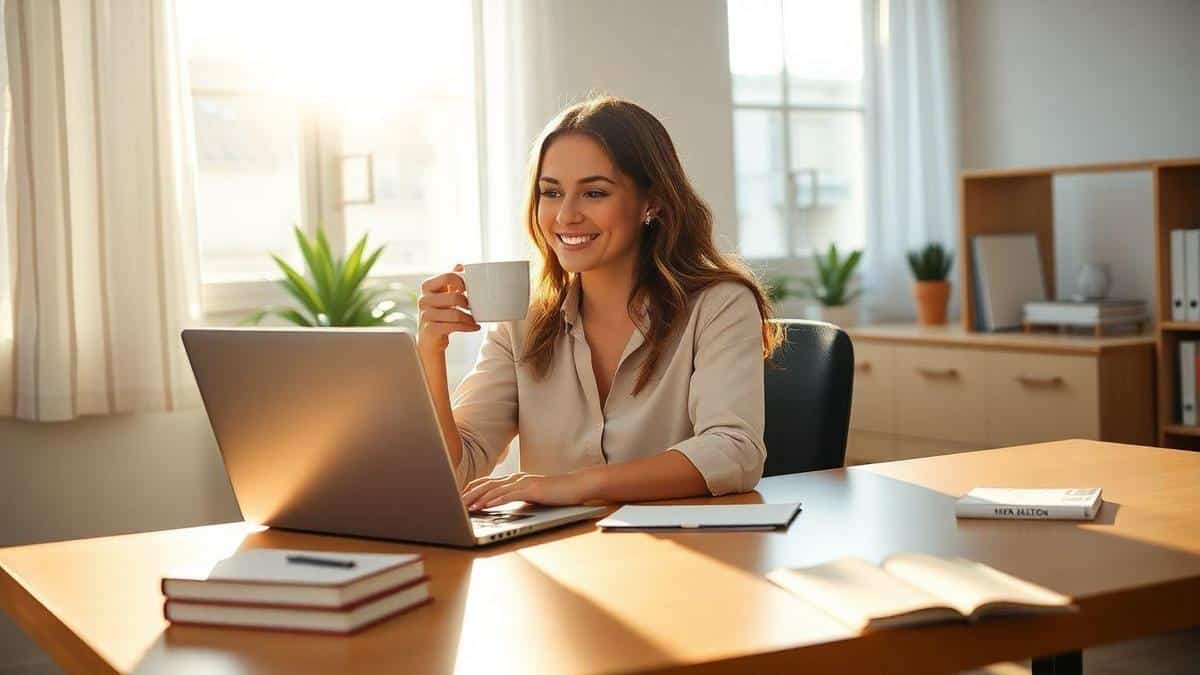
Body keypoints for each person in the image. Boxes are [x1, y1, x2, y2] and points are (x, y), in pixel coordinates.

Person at [416, 96, 783, 512]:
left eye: (593, 192)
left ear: (653, 202)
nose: (565, 215)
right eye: (550, 193)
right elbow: (458, 471)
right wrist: (431, 352)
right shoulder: (523, 318)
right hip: (563, 558)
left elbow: (734, 452)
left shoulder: (719, 305)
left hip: (682, 556)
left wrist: (576, 485)